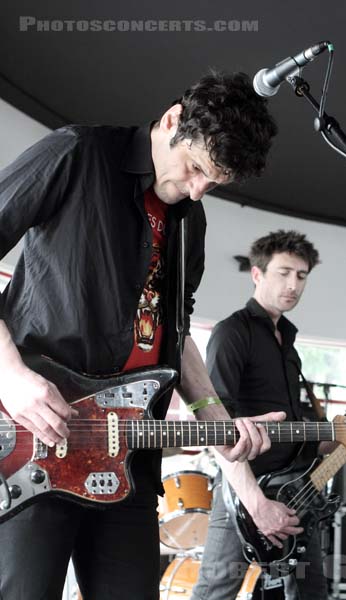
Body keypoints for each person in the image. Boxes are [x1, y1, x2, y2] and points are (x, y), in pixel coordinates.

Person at [0, 72, 290, 600]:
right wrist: (11, 375)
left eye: (214, 182)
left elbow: (173, 337)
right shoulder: (77, 154)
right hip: (34, 437)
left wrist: (218, 423)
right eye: (196, 168)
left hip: (129, 458)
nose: (199, 189)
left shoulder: (190, 222)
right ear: (173, 121)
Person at [191, 230, 329, 600]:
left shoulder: (288, 340)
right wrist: (256, 504)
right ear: (257, 274)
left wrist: (335, 437)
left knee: (311, 591)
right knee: (217, 590)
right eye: (283, 272)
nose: (293, 285)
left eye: (301, 276)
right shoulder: (232, 333)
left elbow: (292, 427)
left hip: (293, 489)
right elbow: (215, 427)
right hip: (244, 489)